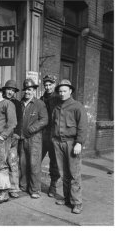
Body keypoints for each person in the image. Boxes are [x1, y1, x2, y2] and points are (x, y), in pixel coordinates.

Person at [51, 79, 87, 214]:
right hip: (58, 143)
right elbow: (53, 125)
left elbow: (83, 126)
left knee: (74, 174)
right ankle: (67, 198)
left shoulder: (77, 106)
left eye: (64, 91)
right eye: (60, 91)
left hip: (72, 143)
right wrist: (53, 139)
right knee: (63, 173)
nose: (61, 94)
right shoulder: (57, 107)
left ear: (70, 91)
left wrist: (79, 142)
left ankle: (77, 202)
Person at [20, 78, 48, 198]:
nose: (27, 92)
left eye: (30, 89)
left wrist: (32, 129)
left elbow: (44, 120)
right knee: (23, 163)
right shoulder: (20, 103)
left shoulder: (39, 104)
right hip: (22, 138)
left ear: (34, 90)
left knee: (34, 163)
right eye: (25, 90)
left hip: (34, 138)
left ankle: (35, 189)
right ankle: (24, 186)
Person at [40, 75, 61, 198]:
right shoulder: (41, 99)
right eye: (46, 85)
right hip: (42, 134)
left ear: (54, 84)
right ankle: (34, 184)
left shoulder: (59, 98)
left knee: (55, 162)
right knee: (36, 159)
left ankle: (52, 185)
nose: (48, 87)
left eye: (50, 85)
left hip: (54, 134)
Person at [1, 80, 23, 198]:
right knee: (1, 163)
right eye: (9, 89)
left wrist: (17, 134)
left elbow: (19, 120)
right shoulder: (0, 101)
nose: (10, 92)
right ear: (4, 90)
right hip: (1, 136)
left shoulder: (17, 104)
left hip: (12, 136)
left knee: (13, 162)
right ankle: (2, 187)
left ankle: (14, 188)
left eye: (13, 90)